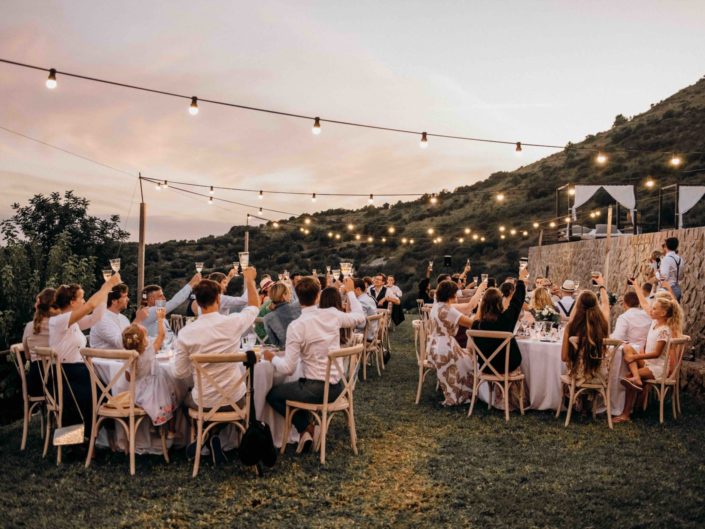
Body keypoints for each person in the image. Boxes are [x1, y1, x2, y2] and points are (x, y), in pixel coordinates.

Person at [264, 276, 365, 454]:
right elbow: (360, 317)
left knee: (273, 395)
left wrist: (271, 358)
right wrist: (350, 291)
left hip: (315, 390)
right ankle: (307, 430)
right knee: (294, 389)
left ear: (297, 298)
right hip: (339, 388)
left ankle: (306, 428)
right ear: (318, 296)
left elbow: (288, 368)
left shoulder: (296, 326)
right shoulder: (332, 314)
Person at [172, 268, 260, 461]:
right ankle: (213, 437)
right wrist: (250, 280)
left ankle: (203, 438)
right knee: (223, 398)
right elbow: (254, 305)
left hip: (204, 401)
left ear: (197, 303)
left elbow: (179, 373)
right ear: (219, 299)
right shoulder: (232, 323)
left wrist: (193, 368)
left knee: (184, 400)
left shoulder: (187, 333)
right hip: (235, 399)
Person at [48, 275, 121, 427]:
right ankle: (84, 442)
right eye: (81, 298)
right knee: (101, 398)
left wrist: (105, 293)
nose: (83, 301)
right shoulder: (59, 321)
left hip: (78, 371)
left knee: (106, 394)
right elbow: (90, 306)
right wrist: (107, 286)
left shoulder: (71, 321)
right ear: (72, 302)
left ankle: (96, 439)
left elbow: (95, 318)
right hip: (67, 376)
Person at [614, 278, 684, 423]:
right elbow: (645, 303)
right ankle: (638, 381)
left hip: (657, 368)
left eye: (654, 309)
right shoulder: (654, 323)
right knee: (627, 347)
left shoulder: (665, 330)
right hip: (648, 364)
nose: (650, 310)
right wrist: (635, 285)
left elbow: (657, 354)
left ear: (663, 313)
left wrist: (635, 358)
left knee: (628, 378)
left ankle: (625, 414)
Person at [121, 315, 180, 428]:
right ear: (143, 341)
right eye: (147, 337)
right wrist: (160, 319)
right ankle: (171, 430)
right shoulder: (149, 352)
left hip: (137, 395)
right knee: (170, 390)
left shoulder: (127, 357)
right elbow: (161, 335)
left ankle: (152, 429)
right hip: (154, 393)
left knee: (165, 385)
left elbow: (128, 378)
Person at [470, 266, 529, 374]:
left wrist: (481, 305)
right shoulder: (506, 319)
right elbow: (517, 302)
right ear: (499, 303)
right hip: (507, 367)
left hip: (485, 367)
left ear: (482, 305)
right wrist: (520, 280)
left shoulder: (476, 325)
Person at [427, 280, 476, 406]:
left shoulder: (436, 306)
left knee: (466, 356)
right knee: (472, 361)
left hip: (433, 347)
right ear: (451, 294)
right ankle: (466, 393)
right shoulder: (449, 310)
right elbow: (471, 324)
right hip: (445, 349)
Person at [141, 272, 202, 351]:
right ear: (151, 299)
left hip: (171, 350)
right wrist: (191, 284)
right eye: (160, 296)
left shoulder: (159, 315)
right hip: (160, 354)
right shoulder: (147, 312)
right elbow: (174, 302)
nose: (164, 298)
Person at [561, 289, 610, 385]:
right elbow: (605, 305)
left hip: (579, 376)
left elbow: (564, 357)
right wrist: (602, 287)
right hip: (600, 376)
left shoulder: (571, 326)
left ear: (578, 306)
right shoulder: (603, 324)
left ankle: (572, 398)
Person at [22, 288, 57, 398]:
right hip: (55, 381)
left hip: (35, 381)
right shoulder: (58, 326)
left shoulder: (29, 326)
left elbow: (27, 356)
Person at [89, 283, 131, 350]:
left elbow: (132, 343)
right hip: (105, 360)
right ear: (114, 301)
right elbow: (121, 343)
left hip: (123, 359)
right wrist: (138, 320)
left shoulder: (124, 318)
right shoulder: (101, 319)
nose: (128, 299)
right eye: (125, 296)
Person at [263, 282, 301, 348]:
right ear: (284, 295)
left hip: (286, 352)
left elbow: (275, 343)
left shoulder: (267, 318)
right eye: (289, 292)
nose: (291, 295)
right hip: (306, 349)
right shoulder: (298, 307)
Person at [658, 237, 684, 302]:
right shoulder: (680, 259)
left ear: (666, 246)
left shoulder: (666, 259)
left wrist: (656, 273)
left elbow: (663, 278)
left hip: (667, 290)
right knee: (675, 311)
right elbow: (680, 277)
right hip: (677, 289)